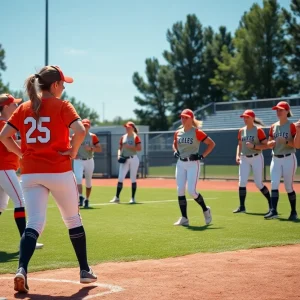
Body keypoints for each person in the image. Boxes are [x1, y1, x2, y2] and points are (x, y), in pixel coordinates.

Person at [0, 66, 97, 293]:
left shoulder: (23, 108)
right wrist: (72, 152)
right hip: (59, 170)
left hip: (31, 173)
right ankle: (84, 270)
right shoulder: (63, 105)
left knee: (34, 223)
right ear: (54, 85)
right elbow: (80, 131)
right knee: (73, 219)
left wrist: (22, 153)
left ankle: (22, 269)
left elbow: (4, 137)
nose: (63, 88)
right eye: (62, 84)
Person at [0, 94, 43, 250]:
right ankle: (27, 241)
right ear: (5, 107)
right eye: (13, 104)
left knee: (1, 206)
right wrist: (29, 140)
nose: (16, 107)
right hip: (4, 168)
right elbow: (7, 144)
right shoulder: (3, 123)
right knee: (20, 201)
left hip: (4, 168)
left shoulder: (5, 123)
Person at [172, 109, 215, 226]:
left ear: (191, 119)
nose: (183, 119)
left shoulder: (197, 132)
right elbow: (174, 144)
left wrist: (202, 156)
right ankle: (184, 218)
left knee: (191, 191)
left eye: (186, 117)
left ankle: (206, 210)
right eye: (182, 117)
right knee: (180, 190)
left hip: (193, 164)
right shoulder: (178, 132)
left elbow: (211, 144)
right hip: (180, 163)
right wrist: (175, 151)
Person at [233, 110, 271, 214]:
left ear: (252, 118)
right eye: (244, 117)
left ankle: (271, 204)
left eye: (247, 117)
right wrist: (237, 155)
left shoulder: (258, 130)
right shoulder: (241, 130)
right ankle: (242, 207)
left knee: (258, 183)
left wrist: (254, 146)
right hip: (244, 158)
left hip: (256, 157)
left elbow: (267, 145)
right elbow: (239, 144)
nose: (245, 119)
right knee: (242, 182)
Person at [265, 101, 297, 220]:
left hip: (289, 158)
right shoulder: (273, 126)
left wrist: (287, 142)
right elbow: (268, 143)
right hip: (276, 158)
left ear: (287, 111)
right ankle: (273, 211)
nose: (278, 112)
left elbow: (297, 144)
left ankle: (293, 212)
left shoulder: (292, 126)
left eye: (281, 110)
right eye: (277, 110)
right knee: (274, 184)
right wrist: (270, 143)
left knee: (288, 186)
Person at [73, 118, 102, 208]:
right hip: (78, 160)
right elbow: (70, 145)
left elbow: (99, 149)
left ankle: (87, 199)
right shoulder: (76, 135)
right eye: (84, 125)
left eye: (87, 125)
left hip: (89, 160)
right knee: (78, 178)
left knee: (88, 181)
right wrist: (74, 154)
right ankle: (81, 197)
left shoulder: (93, 136)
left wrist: (91, 148)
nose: (85, 127)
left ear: (89, 126)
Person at [110, 121, 141, 204]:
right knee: (120, 178)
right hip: (125, 159)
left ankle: (133, 198)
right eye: (126, 127)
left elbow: (139, 148)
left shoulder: (135, 137)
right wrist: (119, 155)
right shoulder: (123, 137)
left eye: (128, 127)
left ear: (132, 128)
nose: (126, 128)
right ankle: (117, 197)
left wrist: (130, 147)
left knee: (133, 178)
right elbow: (119, 148)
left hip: (133, 159)